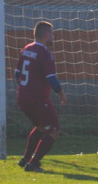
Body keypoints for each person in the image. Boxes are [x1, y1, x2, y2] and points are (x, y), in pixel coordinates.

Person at [14, 21, 67, 172]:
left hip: (22, 97)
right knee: (54, 130)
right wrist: (62, 95)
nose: (54, 37)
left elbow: (17, 73)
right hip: (37, 98)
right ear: (46, 35)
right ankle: (33, 163)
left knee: (41, 127)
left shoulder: (26, 49)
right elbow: (51, 78)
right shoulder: (45, 54)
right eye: (52, 34)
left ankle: (25, 159)